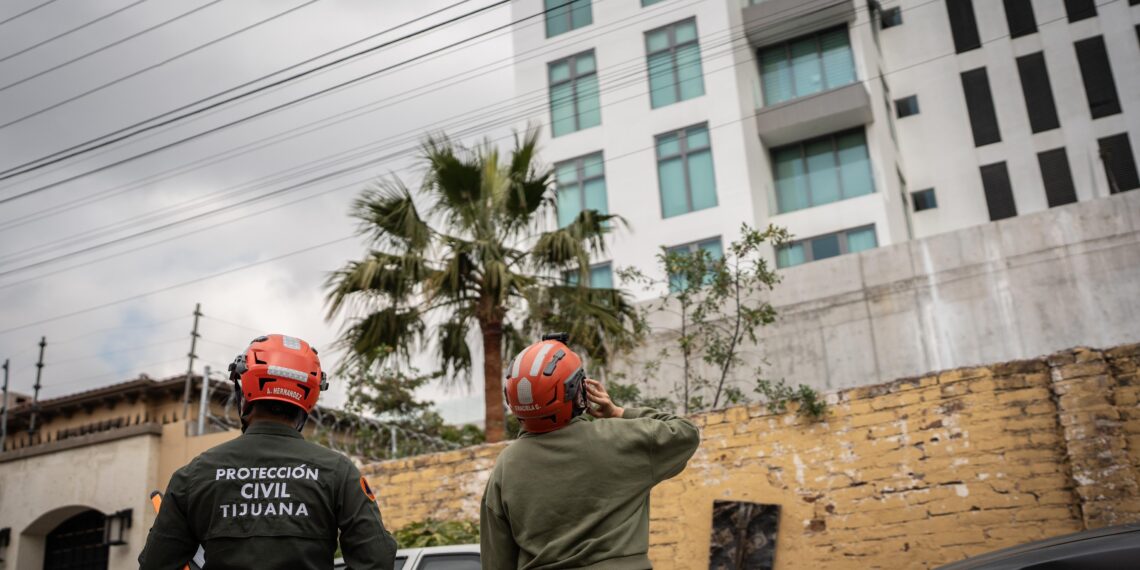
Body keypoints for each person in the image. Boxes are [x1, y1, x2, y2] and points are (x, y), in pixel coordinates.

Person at [139, 334, 398, 570]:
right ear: (309, 398)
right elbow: (376, 559)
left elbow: (155, 565)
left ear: (245, 392)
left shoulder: (194, 475)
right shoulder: (337, 472)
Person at [481, 334, 701, 569]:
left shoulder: (506, 467)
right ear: (578, 390)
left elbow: (497, 561)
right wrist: (618, 412)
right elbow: (685, 432)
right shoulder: (618, 439)